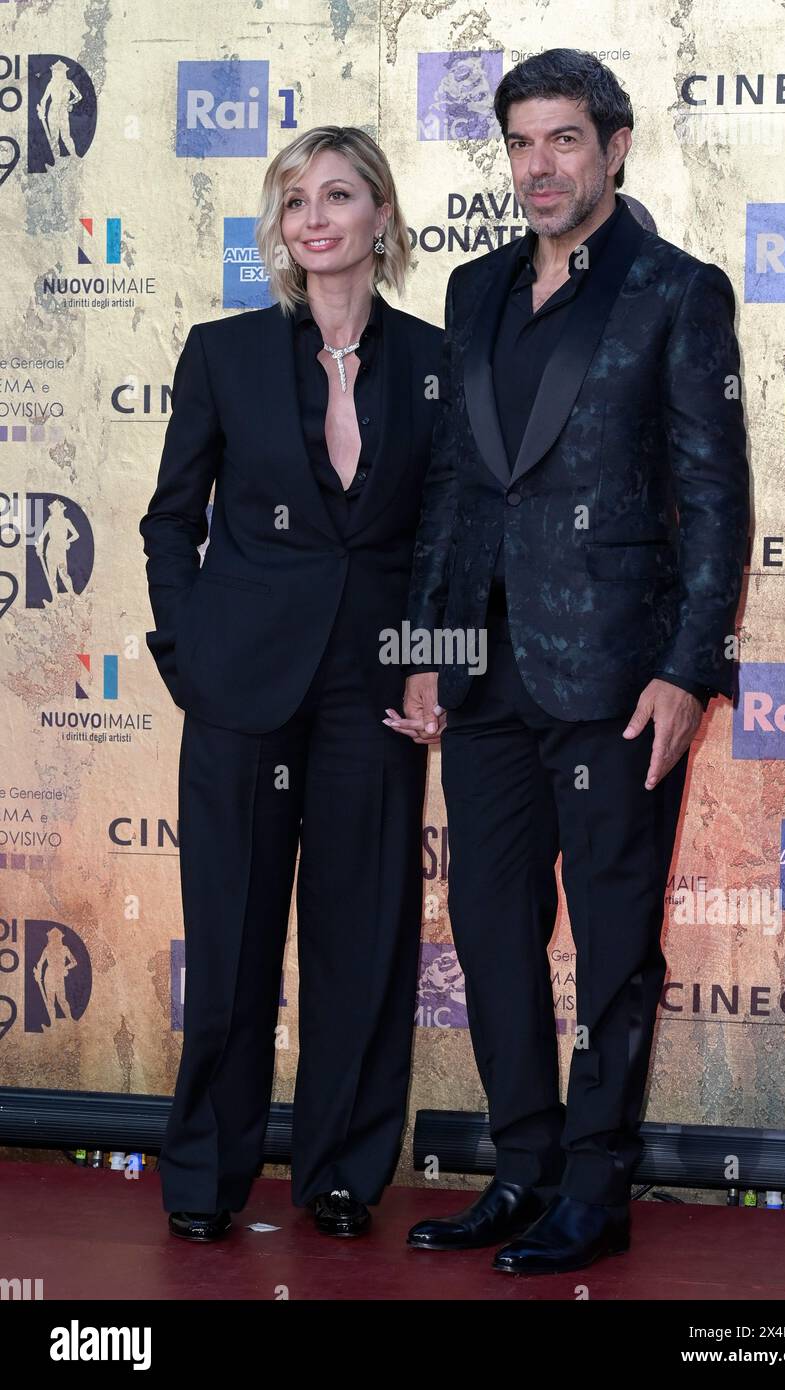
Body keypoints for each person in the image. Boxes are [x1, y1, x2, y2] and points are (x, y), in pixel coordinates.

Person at [391, 49, 750, 1275]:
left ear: (611, 147)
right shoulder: (474, 287)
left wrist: (687, 670)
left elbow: (714, 500)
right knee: (489, 929)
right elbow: (453, 486)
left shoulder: (674, 290)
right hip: (486, 677)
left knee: (610, 946)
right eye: (518, 143)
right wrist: (427, 651)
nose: (537, 167)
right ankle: (523, 1166)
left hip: (615, 681)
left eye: (560, 141)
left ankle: (595, 1185)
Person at [139, 126, 442, 1242]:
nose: (314, 217)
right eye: (295, 199)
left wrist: (435, 667)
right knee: (228, 942)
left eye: (339, 195)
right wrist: (190, 654)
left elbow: (451, 542)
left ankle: (344, 1173)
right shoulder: (221, 353)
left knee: (360, 939)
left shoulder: (434, 362)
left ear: (380, 219)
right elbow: (170, 520)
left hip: (372, 691)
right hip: (240, 689)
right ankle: (205, 1177)